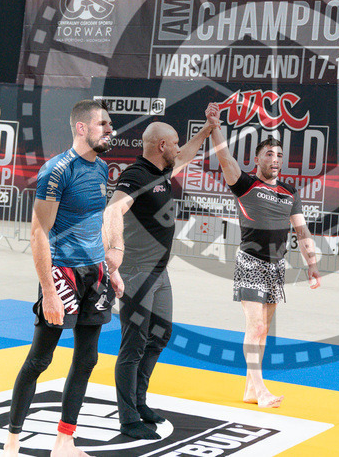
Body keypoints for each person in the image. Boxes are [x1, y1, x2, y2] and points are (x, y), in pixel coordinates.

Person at [4, 100, 124, 457]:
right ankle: (11, 441)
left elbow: (95, 222)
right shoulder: (57, 171)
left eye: (110, 124)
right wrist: (49, 292)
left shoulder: (102, 169)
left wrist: (108, 271)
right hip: (63, 274)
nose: (109, 130)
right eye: (103, 124)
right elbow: (38, 233)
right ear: (81, 128)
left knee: (87, 359)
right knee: (41, 358)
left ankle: (65, 441)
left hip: (95, 273)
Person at [104, 117, 216, 439]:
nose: (179, 148)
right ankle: (128, 419)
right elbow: (112, 212)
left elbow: (186, 155)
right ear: (161, 145)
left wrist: (208, 129)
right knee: (134, 345)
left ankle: (139, 403)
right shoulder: (137, 175)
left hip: (158, 272)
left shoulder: (161, 171)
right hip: (136, 271)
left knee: (160, 335)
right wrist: (114, 254)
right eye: (175, 142)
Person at [206, 102, 321, 408]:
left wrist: (311, 264)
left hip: (276, 267)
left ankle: (248, 389)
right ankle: (261, 389)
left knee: (263, 330)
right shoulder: (245, 184)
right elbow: (224, 157)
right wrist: (216, 126)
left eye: (279, 155)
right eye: (269, 154)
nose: (275, 159)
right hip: (250, 262)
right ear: (256, 159)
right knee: (255, 327)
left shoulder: (289, 192)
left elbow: (302, 231)